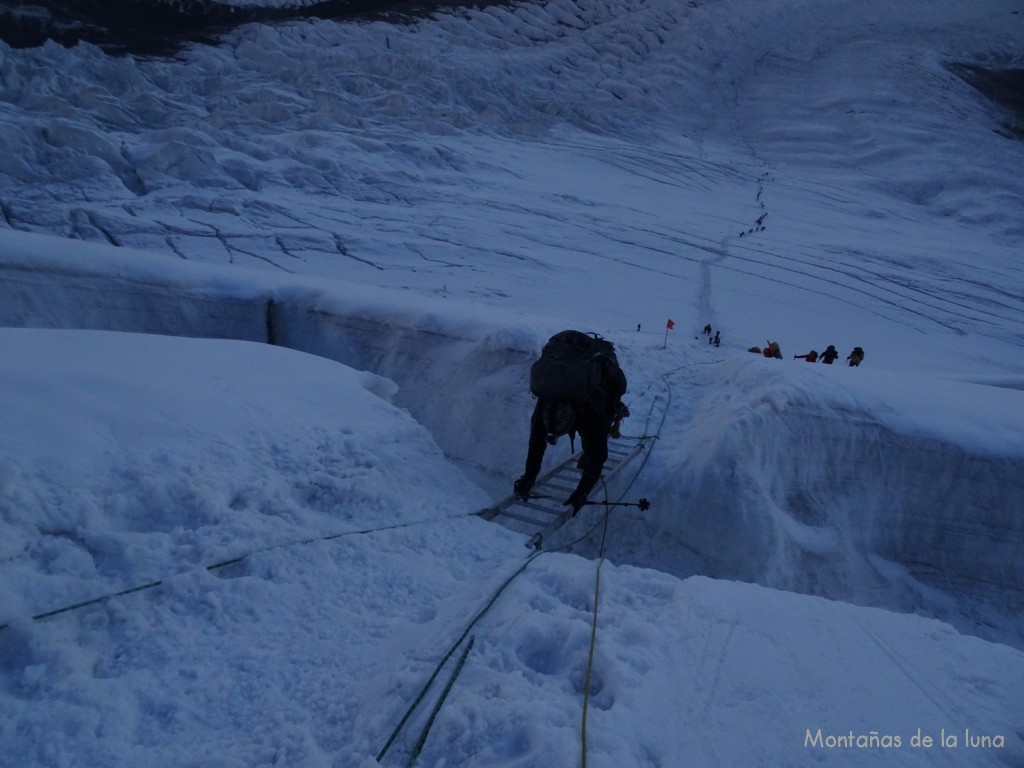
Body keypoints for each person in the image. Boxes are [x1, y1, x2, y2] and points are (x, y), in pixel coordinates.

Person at [514, 331, 628, 515]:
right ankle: (586, 455)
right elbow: (536, 446)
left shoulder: (592, 414)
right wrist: (528, 479)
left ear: (573, 420)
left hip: (601, 380)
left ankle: (588, 452)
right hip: (567, 363)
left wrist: (582, 491)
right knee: (591, 446)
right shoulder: (544, 407)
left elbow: (599, 458)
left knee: (595, 445)